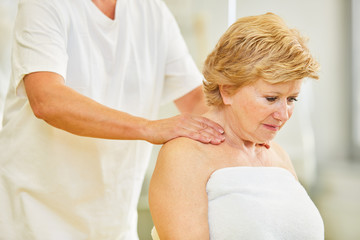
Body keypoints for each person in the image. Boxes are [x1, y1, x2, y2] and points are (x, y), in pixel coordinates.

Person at [0, 0, 225, 239]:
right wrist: (148, 128)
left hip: (114, 223)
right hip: (34, 218)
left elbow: (194, 99)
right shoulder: (45, 5)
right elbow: (47, 100)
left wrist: (243, 120)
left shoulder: (152, 11)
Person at [149, 12, 324, 240]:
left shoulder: (278, 157)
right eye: (271, 98)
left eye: (292, 99)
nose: (284, 114)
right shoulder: (185, 156)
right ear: (227, 90)